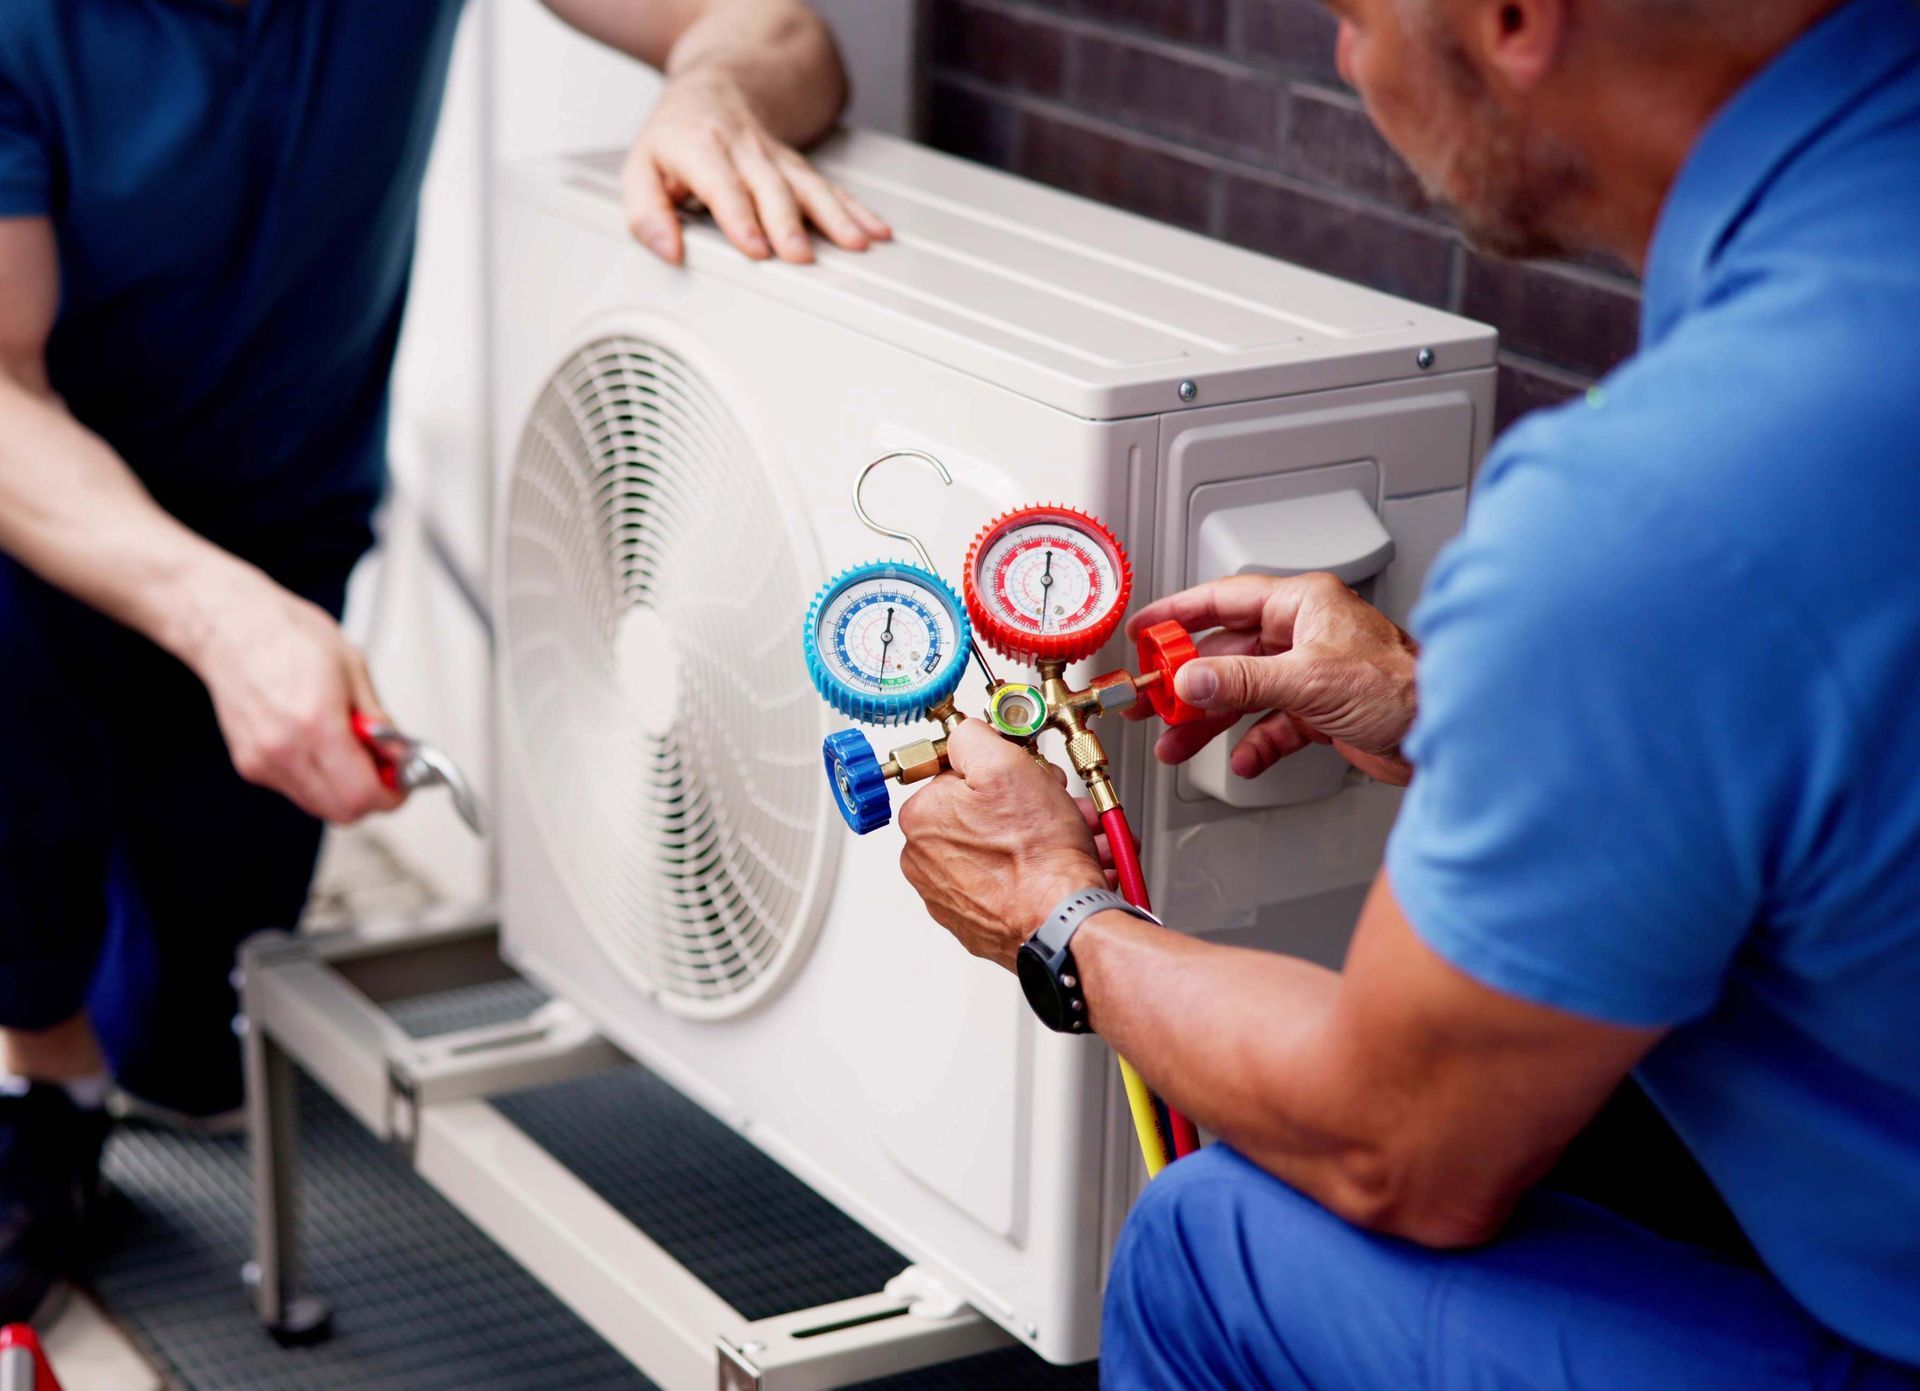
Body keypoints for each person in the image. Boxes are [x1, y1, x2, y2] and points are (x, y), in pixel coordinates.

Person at [893, 0, 1920, 1384]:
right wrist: (1453, 701)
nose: (1345, 60)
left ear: (1510, 19)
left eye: (1355, 14)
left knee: (1211, 1242)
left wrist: (1052, 910)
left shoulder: (1654, 508)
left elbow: (1401, 1153)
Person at [0, 0, 885, 1323]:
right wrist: (214, 619)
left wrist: (713, 93)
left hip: (285, 515)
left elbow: (776, 30)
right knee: (36, 908)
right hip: (47, 525)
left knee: (190, 1057)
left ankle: (120, 1016)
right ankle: (41, 1082)